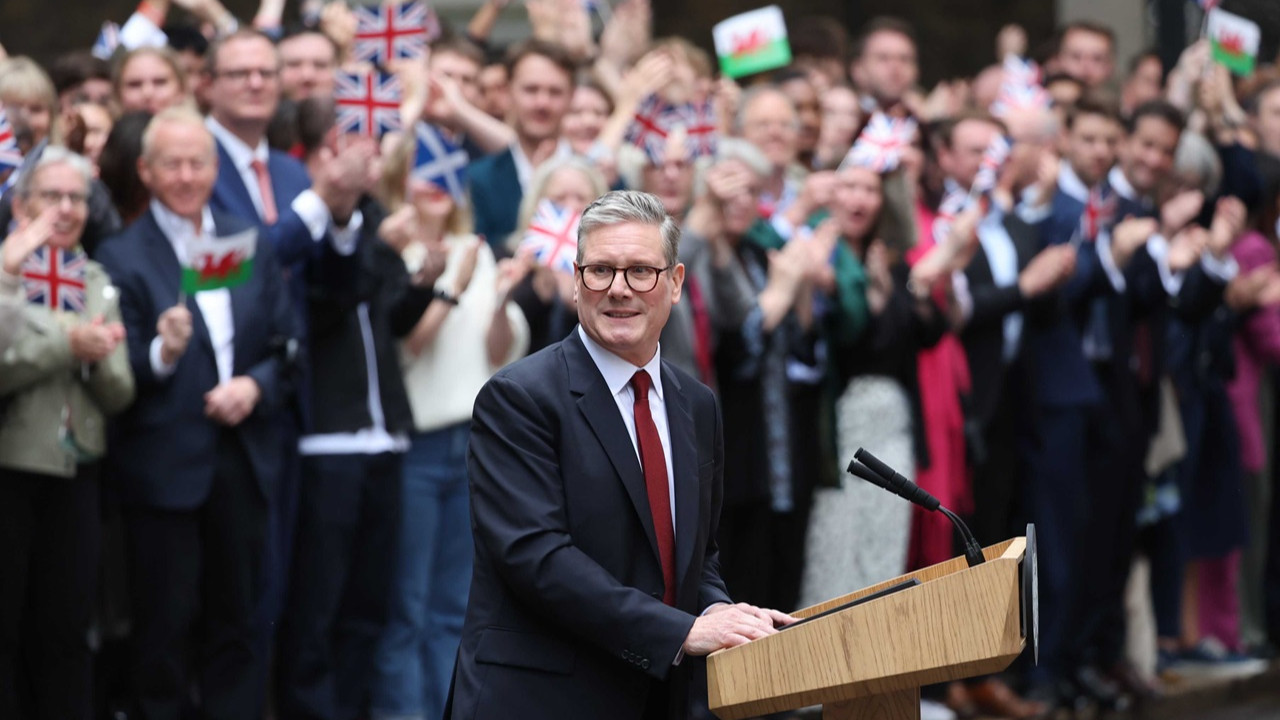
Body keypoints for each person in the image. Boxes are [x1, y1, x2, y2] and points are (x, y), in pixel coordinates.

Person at [449, 189, 795, 720]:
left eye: (640, 272)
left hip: (654, 697)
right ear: (576, 278)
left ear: (675, 283)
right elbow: (536, 558)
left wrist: (723, 612)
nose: (618, 290)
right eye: (601, 271)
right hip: (539, 699)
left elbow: (696, 555)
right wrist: (684, 630)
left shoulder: (697, 404)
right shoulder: (519, 397)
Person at [94, 107, 295, 720]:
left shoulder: (244, 239)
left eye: (197, 163)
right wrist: (162, 351)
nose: (186, 176)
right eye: (172, 164)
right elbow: (113, 365)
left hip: (242, 463)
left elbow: (286, 347)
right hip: (163, 473)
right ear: (146, 172)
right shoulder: (121, 254)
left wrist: (254, 388)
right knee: (164, 633)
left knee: (240, 623)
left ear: (215, 168)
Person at [371, 154, 529, 720]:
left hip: (474, 443)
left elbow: (499, 354)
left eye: (445, 170)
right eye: (422, 167)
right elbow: (406, 350)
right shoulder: (391, 251)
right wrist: (449, 288)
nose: (436, 184)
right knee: (405, 606)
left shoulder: (479, 250)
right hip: (416, 444)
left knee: (453, 608)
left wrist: (503, 299)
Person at [0, 147, 135, 720]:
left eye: (76, 197)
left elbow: (120, 392)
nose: (65, 209)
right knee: (5, 627)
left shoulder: (97, 279)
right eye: (51, 196)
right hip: (11, 470)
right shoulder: (5, 273)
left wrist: (98, 357)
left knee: (66, 627)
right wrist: (64, 344)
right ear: (21, 204)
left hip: (78, 469)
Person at [467, 39, 574, 246]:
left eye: (555, 92)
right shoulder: (478, 180)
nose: (542, 103)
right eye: (531, 90)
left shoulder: (602, 175)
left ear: (571, 96)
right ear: (508, 92)